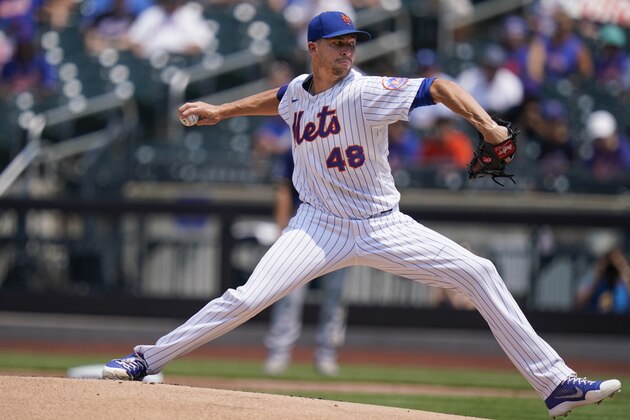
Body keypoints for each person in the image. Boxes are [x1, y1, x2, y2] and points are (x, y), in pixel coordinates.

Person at [103, 11, 621, 418]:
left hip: (381, 225)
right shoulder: (297, 97)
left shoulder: (368, 92)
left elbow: (438, 86)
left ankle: (555, 384)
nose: (348, 49)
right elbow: (279, 98)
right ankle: (145, 359)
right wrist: (220, 111)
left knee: (479, 271)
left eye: (352, 42)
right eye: (338, 43)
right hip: (317, 225)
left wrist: (486, 125)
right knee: (246, 298)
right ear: (313, 49)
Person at [263, 149, 347, 377]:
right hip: (304, 228)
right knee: (289, 294)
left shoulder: (344, 140)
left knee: (334, 296)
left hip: (341, 229)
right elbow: (282, 189)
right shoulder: (294, 146)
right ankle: (279, 352)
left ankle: (327, 353)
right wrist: (282, 229)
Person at [576, 247, 630, 314]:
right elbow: (579, 304)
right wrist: (598, 276)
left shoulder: (624, 284)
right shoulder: (593, 282)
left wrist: (624, 271)